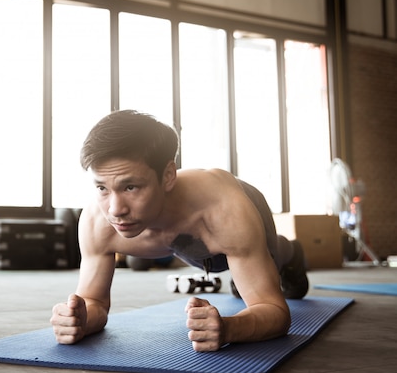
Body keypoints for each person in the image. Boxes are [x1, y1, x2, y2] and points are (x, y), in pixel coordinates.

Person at [50, 110, 309, 352]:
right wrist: (81, 318)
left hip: (238, 214)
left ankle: (290, 252)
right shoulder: (97, 220)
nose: (115, 210)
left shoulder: (225, 210)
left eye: (130, 187)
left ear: (167, 176)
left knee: (250, 288)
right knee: (235, 279)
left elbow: (274, 310)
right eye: (102, 188)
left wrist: (230, 328)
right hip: (191, 243)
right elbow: (93, 301)